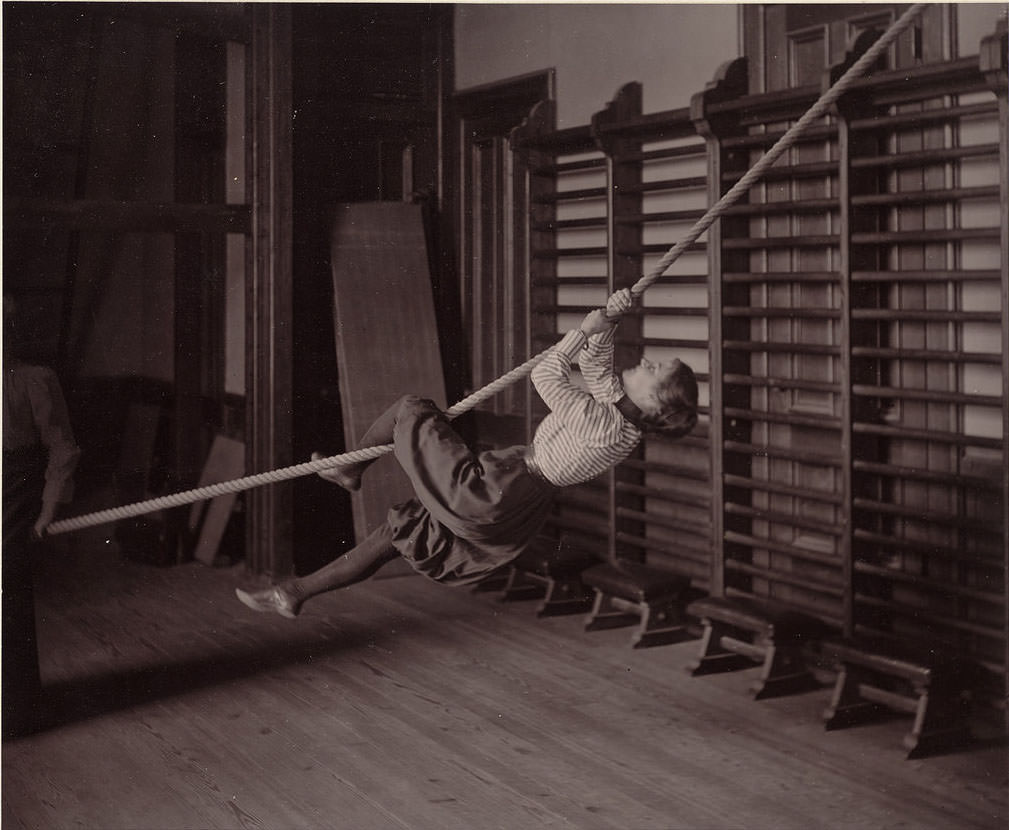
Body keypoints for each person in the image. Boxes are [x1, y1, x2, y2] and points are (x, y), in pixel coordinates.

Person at [236, 288, 697, 618]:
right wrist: (609, 323)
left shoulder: (606, 424)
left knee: (410, 408)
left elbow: (547, 376)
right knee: (401, 533)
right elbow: (598, 371)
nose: (647, 362)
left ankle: (350, 468)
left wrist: (582, 330)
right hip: (513, 493)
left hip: (500, 489)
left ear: (655, 401)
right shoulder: (624, 419)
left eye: (655, 369)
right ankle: (295, 592)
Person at [3, 293, 81, 738]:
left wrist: (49, 506)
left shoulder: (33, 380)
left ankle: (14, 715)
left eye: (6, 326)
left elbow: (61, 447)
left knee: (5, 599)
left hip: (12, 499)